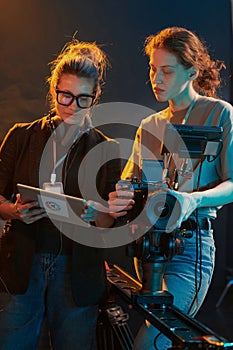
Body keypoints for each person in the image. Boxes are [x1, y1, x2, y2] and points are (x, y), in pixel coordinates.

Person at [108, 26, 233, 349]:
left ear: (191, 72)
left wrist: (191, 201)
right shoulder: (150, 125)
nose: (156, 78)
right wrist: (119, 196)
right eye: (152, 69)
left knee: (151, 341)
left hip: (190, 247)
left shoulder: (219, 113)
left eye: (166, 71)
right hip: (148, 245)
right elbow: (129, 182)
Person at [0, 38, 121, 349]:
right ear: (53, 90)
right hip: (23, 263)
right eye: (65, 96)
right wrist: (11, 211)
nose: (71, 106)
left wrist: (99, 213)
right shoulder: (21, 136)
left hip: (77, 270)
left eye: (82, 99)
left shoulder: (106, 148)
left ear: (95, 98)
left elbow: (110, 223)